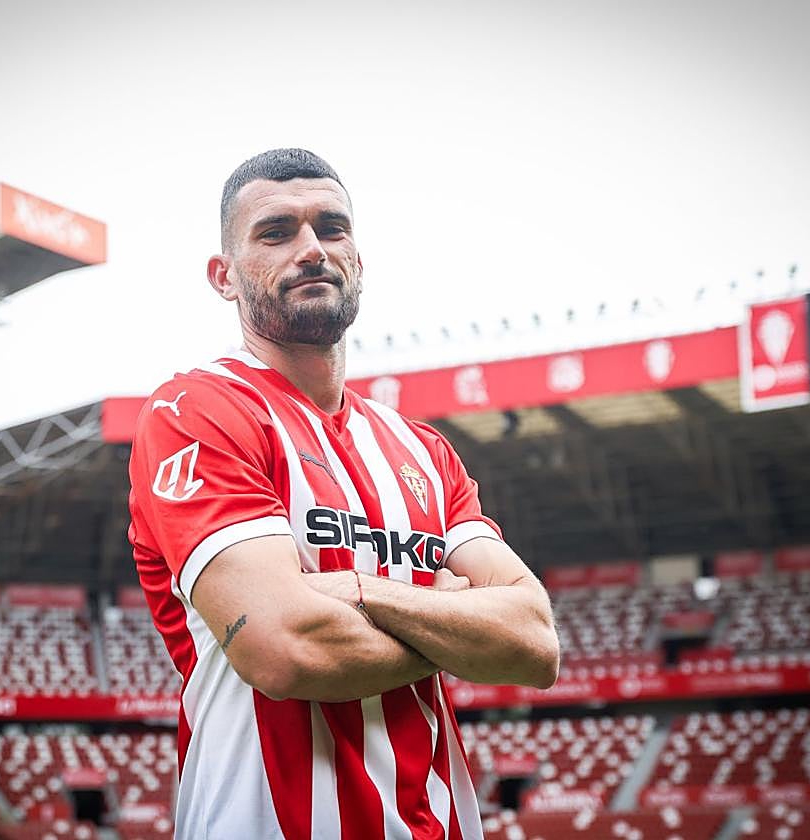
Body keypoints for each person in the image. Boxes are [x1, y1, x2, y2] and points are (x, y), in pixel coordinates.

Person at [128, 148, 559, 839]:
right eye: (276, 232)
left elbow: (534, 644)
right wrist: (458, 625)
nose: (311, 249)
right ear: (223, 276)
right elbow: (286, 650)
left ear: (357, 257)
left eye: (331, 228)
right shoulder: (197, 411)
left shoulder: (424, 451)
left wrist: (359, 592)